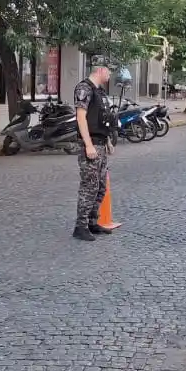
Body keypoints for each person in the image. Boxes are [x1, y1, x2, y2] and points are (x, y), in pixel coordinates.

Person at [73, 65, 118, 241]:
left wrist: (107, 141)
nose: (110, 74)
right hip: (90, 144)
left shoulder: (100, 91)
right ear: (100, 70)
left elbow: (102, 119)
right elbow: (81, 117)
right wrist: (88, 145)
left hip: (100, 143)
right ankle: (80, 226)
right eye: (108, 70)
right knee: (89, 186)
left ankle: (92, 222)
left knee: (100, 186)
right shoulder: (84, 88)